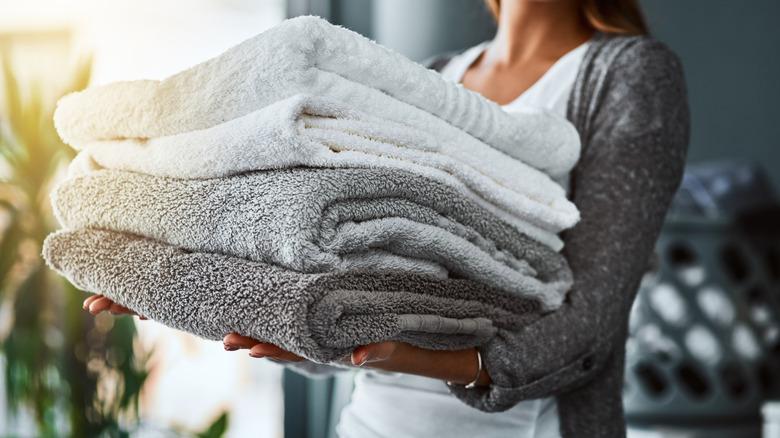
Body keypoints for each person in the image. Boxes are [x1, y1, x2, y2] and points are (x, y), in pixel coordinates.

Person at [85, 0, 689, 435]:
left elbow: (591, 323)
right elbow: (365, 276)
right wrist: (285, 321)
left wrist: (415, 354)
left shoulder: (629, 74)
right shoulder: (433, 80)